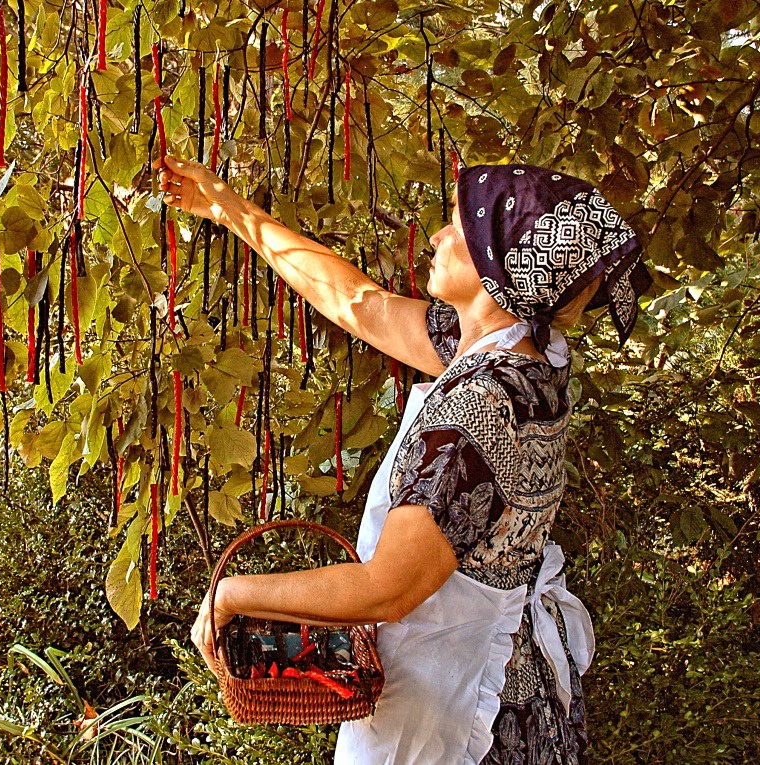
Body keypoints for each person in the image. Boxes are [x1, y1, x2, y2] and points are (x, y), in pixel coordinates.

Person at [154, 154, 651, 764]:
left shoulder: (478, 411)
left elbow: (385, 588)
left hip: (460, 709)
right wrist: (226, 207)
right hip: (512, 679)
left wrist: (232, 593)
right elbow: (359, 302)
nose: (439, 238)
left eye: (459, 230)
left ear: (500, 268)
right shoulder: (528, 356)